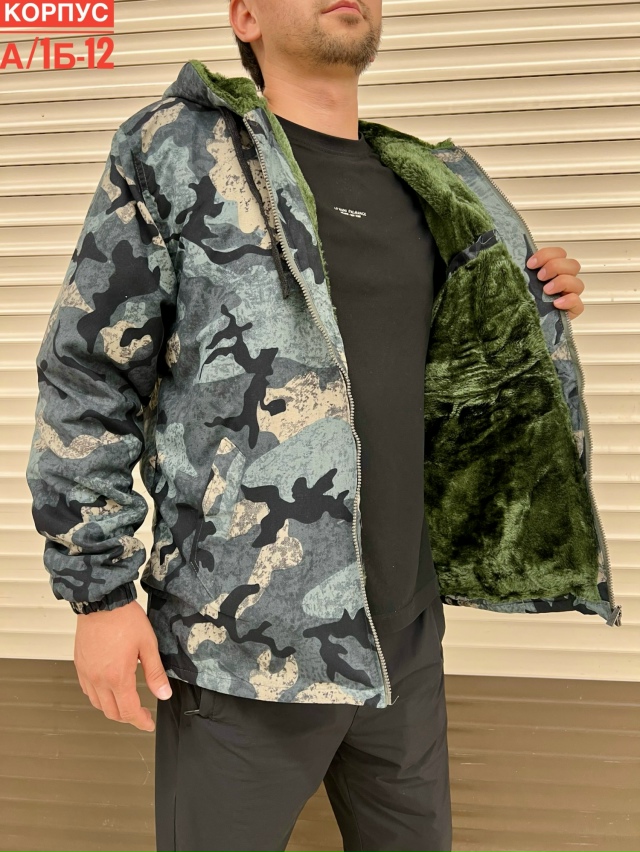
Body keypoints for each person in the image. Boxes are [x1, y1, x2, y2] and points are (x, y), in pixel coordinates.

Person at [26, 1, 618, 850]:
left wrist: (533, 301)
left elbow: (454, 378)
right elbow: (89, 371)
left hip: (402, 640)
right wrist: (99, 594)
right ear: (246, 16)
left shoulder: (432, 183)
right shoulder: (177, 149)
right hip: (243, 646)